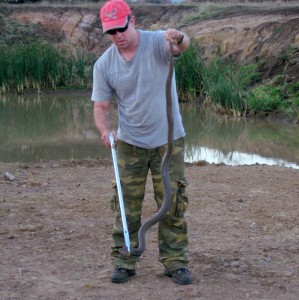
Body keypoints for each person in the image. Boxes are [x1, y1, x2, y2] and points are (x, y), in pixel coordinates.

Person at [91, 0, 192, 285]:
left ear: (132, 20)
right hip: (129, 143)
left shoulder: (158, 42)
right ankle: (125, 259)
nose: (118, 36)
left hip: (168, 142)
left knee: (171, 203)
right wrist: (104, 131)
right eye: (111, 32)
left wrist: (179, 38)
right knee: (125, 205)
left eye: (121, 28)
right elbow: (100, 108)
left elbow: (182, 46)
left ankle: (176, 262)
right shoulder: (104, 64)